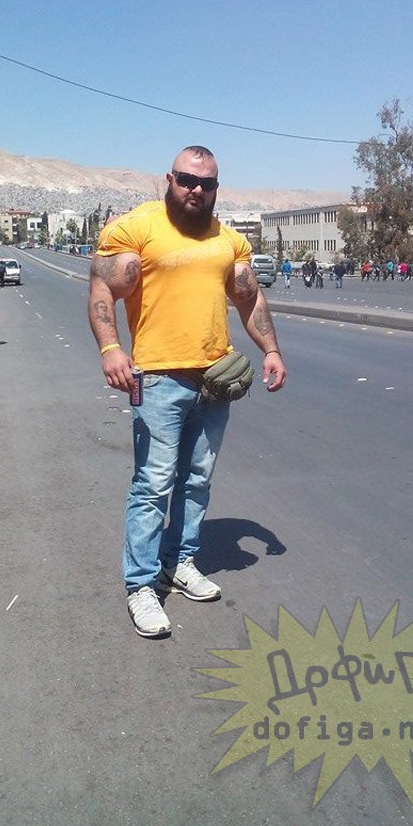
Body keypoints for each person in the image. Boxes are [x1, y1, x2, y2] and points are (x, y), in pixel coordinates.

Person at [88, 145, 287, 639]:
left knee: (197, 480)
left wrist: (271, 349)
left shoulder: (229, 241)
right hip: (157, 379)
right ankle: (141, 584)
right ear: (169, 179)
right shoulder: (136, 228)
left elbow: (249, 299)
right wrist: (111, 348)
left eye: (207, 183)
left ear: (217, 188)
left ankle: (180, 562)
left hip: (215, 379)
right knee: (154, 484)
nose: (196, 189)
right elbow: (103, 289)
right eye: (186, 180)